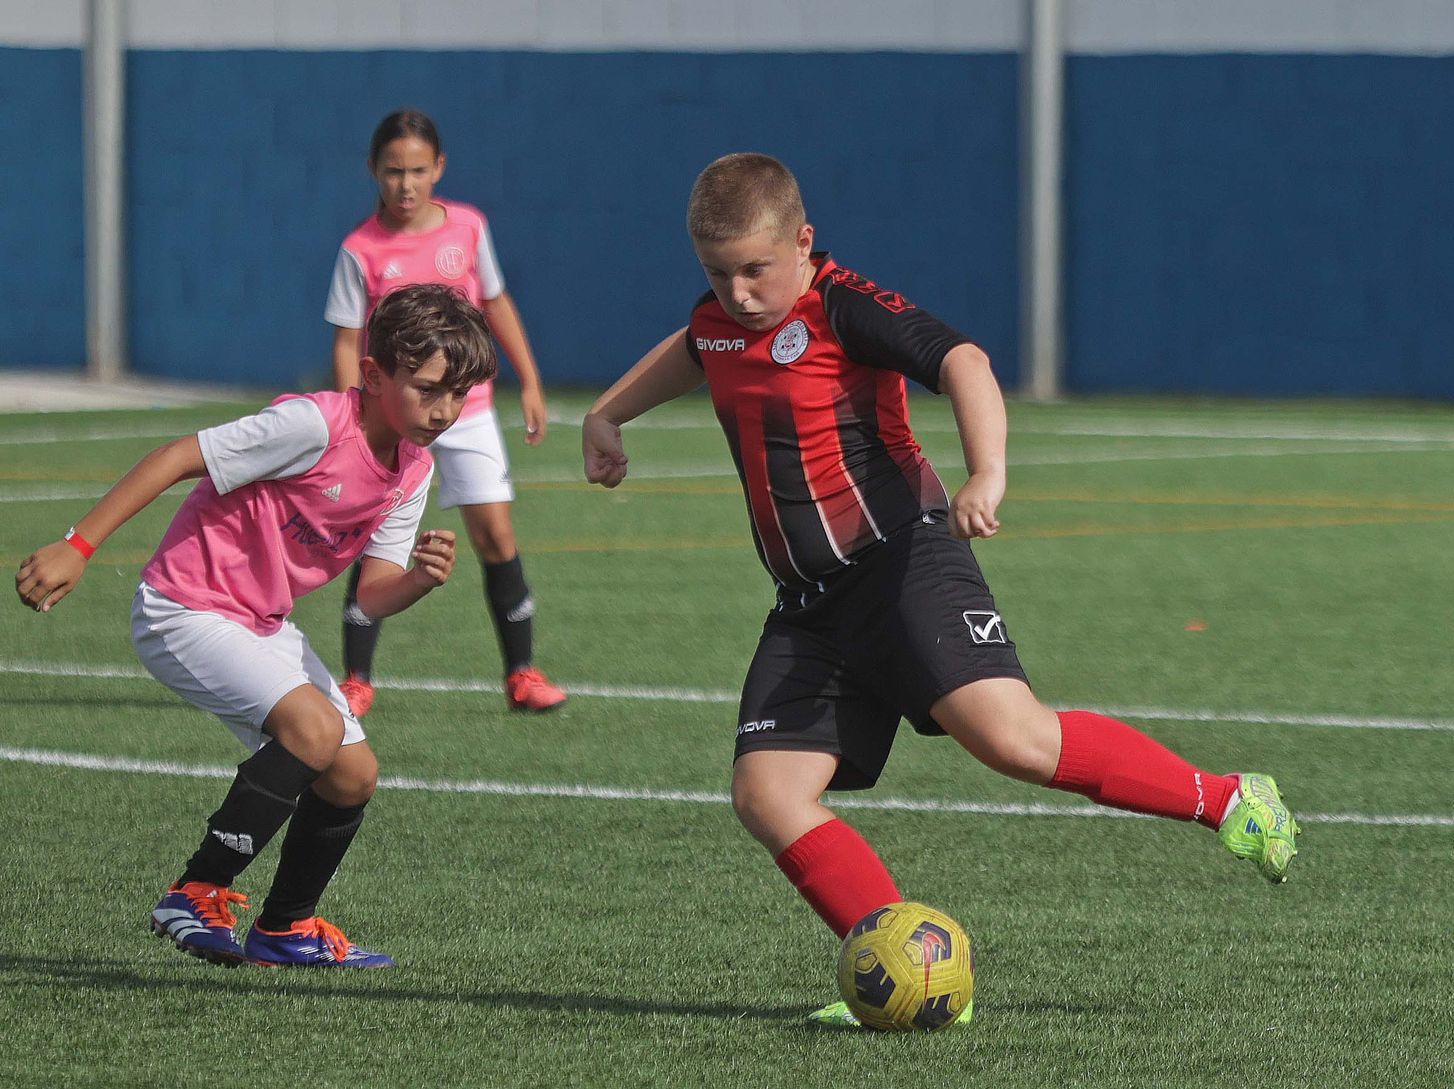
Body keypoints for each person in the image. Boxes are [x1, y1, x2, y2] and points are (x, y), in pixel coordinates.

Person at [581, 153, 1301, 1026]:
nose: (737, 292)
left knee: (1013, 740)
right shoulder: (720, 321)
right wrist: (606, 414)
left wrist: (986, 473)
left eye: (755, 269)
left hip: (903, 562)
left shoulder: (843, 306)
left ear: (803, 243)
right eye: (717, 272)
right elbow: (695, 348)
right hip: (810, 606)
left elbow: (962, 359)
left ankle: (1228, 798)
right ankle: (900, 969)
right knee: (765, 793)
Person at [14, 285, 499, 968]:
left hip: (260, 622)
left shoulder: (412, 469)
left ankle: (285, 928)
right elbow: (179, 455)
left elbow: (373, 593)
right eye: (427, 389)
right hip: (184, 605)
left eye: (459, 394)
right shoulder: (314, 425)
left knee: (354, 773)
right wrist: (79, 545)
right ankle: (195, 888)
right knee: (316, 729)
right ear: (372, 374)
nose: (443, 411)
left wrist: (418, 579)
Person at [325, 108, 565, 715]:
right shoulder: (359, 250)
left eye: (417, 171)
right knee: (379, 536)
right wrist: (355, 415)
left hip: (471, 410)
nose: (405, 185)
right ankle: (356, 679)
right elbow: (349, 341)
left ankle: (522, 674)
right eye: (391, 172)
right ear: (372, 172)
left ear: (439, 169)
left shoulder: (469, 228)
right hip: (393, 415)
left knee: (496, 535)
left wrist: (530, 381)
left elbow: (497, 302)